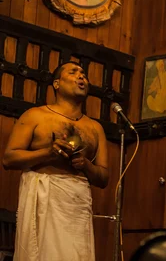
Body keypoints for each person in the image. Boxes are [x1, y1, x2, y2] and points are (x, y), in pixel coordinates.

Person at [2, 61, 109, 261]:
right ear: (57, 84)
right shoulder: (35, 115)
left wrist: (86, 165)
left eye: (84, 74)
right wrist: (47, 154)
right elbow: (9, 158)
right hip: (43, 198)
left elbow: (103, 177)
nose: (81, 77)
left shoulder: (95, 128)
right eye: (74, 72)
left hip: (75, 205)